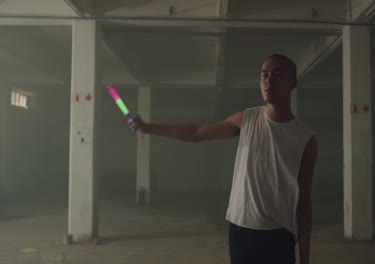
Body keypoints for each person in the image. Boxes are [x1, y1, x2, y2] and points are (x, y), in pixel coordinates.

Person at [126, 54, 318, 264]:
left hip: (279, 234)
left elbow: (304, 201)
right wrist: (147, 127)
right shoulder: (247, 119)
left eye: (278, 74)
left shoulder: (305, 139)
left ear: (293, 83)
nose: (269, 81)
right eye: (264, 75)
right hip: (241, 230)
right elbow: (196, 133)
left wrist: (305, 258)